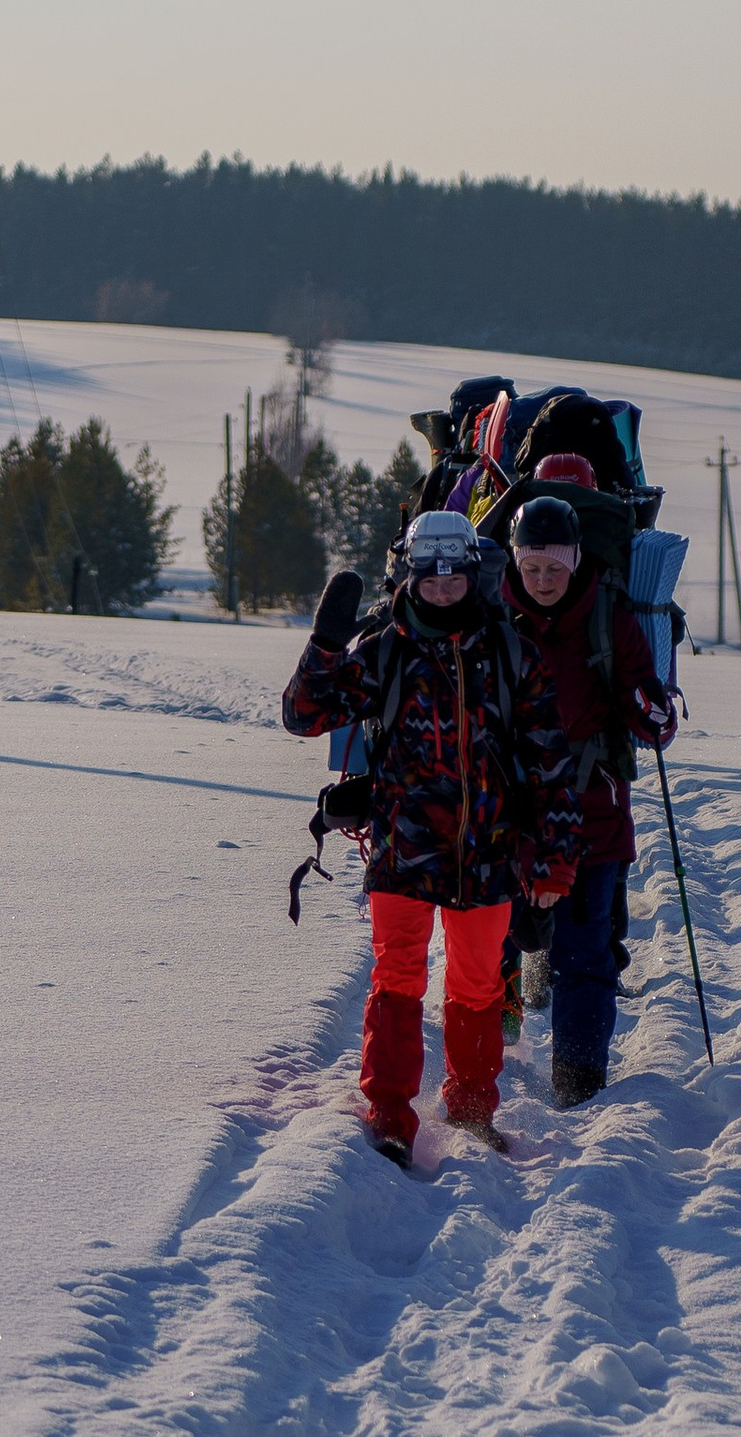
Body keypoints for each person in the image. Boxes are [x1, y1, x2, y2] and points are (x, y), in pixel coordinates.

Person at [284, 507, 580, 1162]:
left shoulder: (510, 654)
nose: (443, 592)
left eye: (454, 580)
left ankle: (472, 1108)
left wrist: (555, 855)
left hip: (489, 853)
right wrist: (326, 645)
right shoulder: (382, 650)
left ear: (474, 576)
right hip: (403, 849)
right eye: (430, 580)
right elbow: (303, 714)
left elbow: (551, 764)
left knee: (478, 986)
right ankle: (389, 1110)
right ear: (408, 577)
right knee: (397, 976)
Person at [499, 486, 677, 1104]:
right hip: (505, 814)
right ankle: (492, 1061)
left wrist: (652, 715)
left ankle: (579, 1086)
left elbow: (641, 694)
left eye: (554, 567)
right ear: (515, 562)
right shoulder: (491, 617)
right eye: (532, 567)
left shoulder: (608, 617)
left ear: (576, 561)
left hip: (590, 812)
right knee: (493, 945)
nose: (544, 580)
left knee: (586, 955)